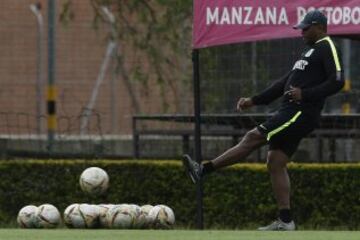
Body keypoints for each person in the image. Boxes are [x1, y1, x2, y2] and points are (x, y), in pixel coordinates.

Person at [182, 10, 344, 231]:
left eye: (306, 28)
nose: (302, 32)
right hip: (291, 110)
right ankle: (286, 221)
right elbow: (282, 84)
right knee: (275, 162)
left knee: (253, 136)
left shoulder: (327, 45)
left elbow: (338, 81)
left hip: (300, 112)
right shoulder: (308, 52)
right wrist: (254, 100)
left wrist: (306, 95)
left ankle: (203, 170)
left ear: (320, 27)